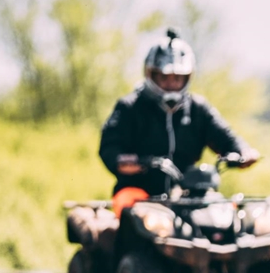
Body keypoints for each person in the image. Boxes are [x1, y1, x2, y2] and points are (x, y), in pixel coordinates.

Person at [99, 28, 259, 200]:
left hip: (185, 192)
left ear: (187, 77)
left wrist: (242, 151)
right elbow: (109, 147)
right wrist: (129, 160)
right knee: (136, 212)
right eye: (164, 77)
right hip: (137, 192)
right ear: (151, 74)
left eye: (177, 78)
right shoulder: (130, 107)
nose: (171, 83)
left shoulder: (198, 108)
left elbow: (226, 137)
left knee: (222, 214)